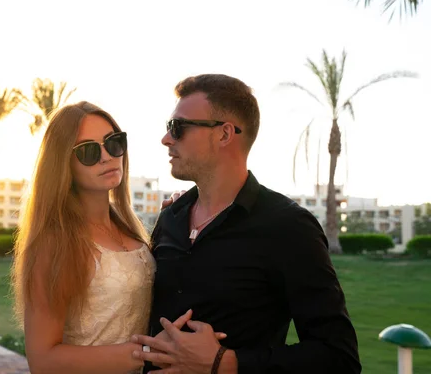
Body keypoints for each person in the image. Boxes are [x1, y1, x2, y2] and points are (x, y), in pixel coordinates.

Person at [131, 74, 361, 374]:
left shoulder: (289, 228)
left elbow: (338, 357)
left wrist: (226, 363)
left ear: (225, 134)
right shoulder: (171, 217)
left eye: (178, 127)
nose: (166, 139)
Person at [11, 101, 219, 374]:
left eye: (113, 143)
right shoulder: (56, 242)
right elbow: (43, 360)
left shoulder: (128, 229)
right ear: (63, 164)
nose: (107, 157)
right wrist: (148, 353)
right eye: (88, 151)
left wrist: (182, 216)